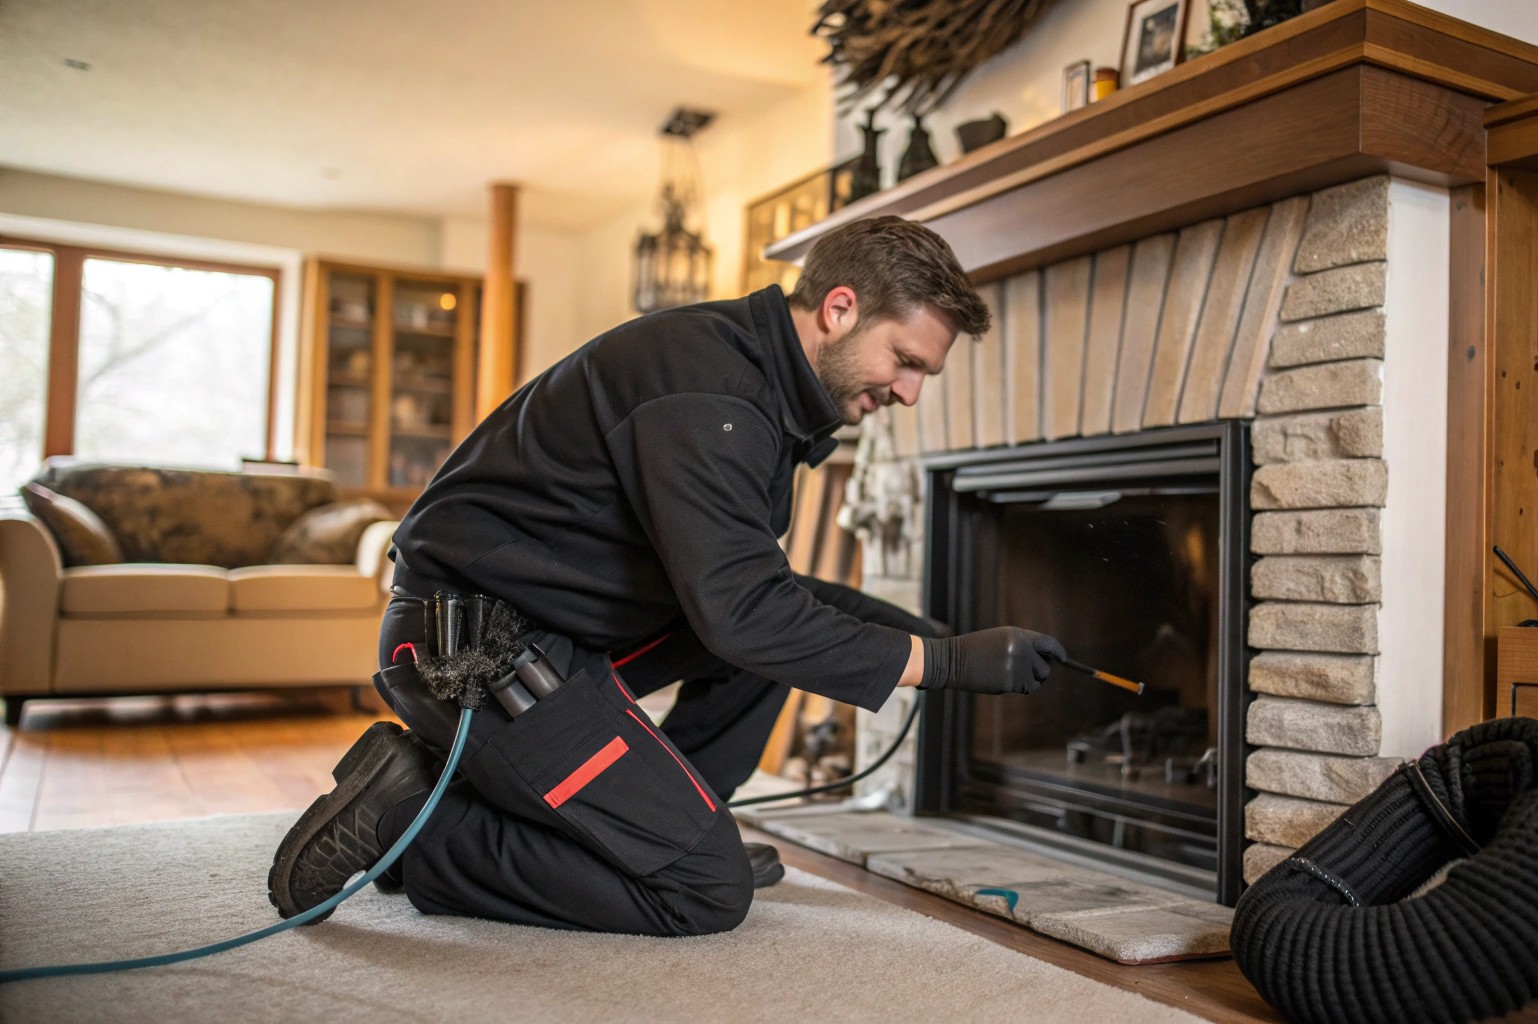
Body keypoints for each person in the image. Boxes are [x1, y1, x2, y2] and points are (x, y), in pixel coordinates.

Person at [267, 216, 1067, 936]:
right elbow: (745, 616)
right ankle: (412, 823)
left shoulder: (746, 378)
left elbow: (761, 602)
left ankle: (662, 826)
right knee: (704, 891)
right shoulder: (713, 395)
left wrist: (925, 640)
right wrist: (954, 666)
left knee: (760, 651)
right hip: (475, 655)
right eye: (906, 360)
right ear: (840, 309)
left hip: (553, 635)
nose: (910, 392)